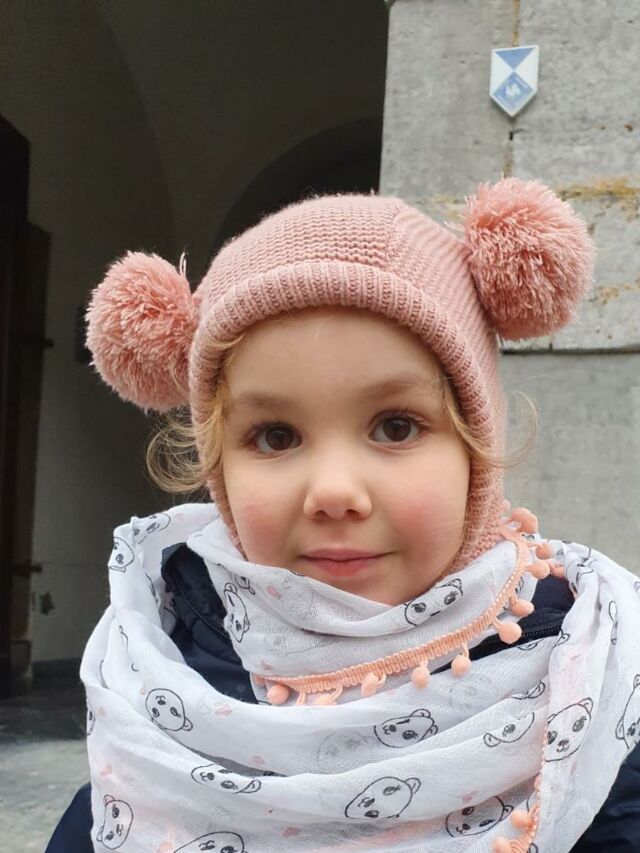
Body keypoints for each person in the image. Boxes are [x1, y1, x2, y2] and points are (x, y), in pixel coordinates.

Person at [46, 179, 640, 852]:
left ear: (477, 448)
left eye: (395, 426)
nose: (332, 491)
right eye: (276, 436)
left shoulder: (584, 674)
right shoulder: (162, 662)